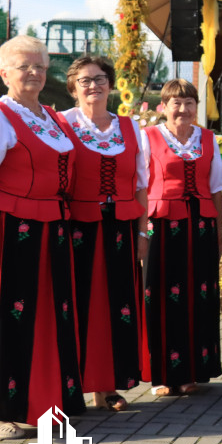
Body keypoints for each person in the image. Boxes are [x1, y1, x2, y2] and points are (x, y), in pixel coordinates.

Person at [0, 35, 84, 439]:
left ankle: (41, 404)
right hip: (10, 233)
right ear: (4, 72)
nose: (35, 73)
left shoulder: (51, 117)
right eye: (25, 66)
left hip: (50, 233)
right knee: (6, 320)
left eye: (41, 66)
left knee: (45, 320)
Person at [58, 56, 148, 411]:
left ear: (111, 85)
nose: (93, 85)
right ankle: (71, 385)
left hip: (121, 228)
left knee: (117, 304)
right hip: (77, 228)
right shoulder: (61, 123)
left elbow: (141, 184)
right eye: (85, 80)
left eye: (100, 79)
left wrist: (143, 234)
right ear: (73, 86)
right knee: (76, 305)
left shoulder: (130, 127)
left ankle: (108, 386)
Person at [142, 79, 222, 395]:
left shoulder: (208, 139)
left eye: (189, 103)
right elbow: (140, 187)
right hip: (162, 226)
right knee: (162, 297)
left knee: (198, 296)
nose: (183, 109)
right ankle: (165, 374)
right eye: (176, 103)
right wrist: (140, 231)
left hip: (200, 227)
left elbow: (216, 187)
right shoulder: (148, 138)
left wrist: (218, 232)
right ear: (164, 106)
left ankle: (192, 371)